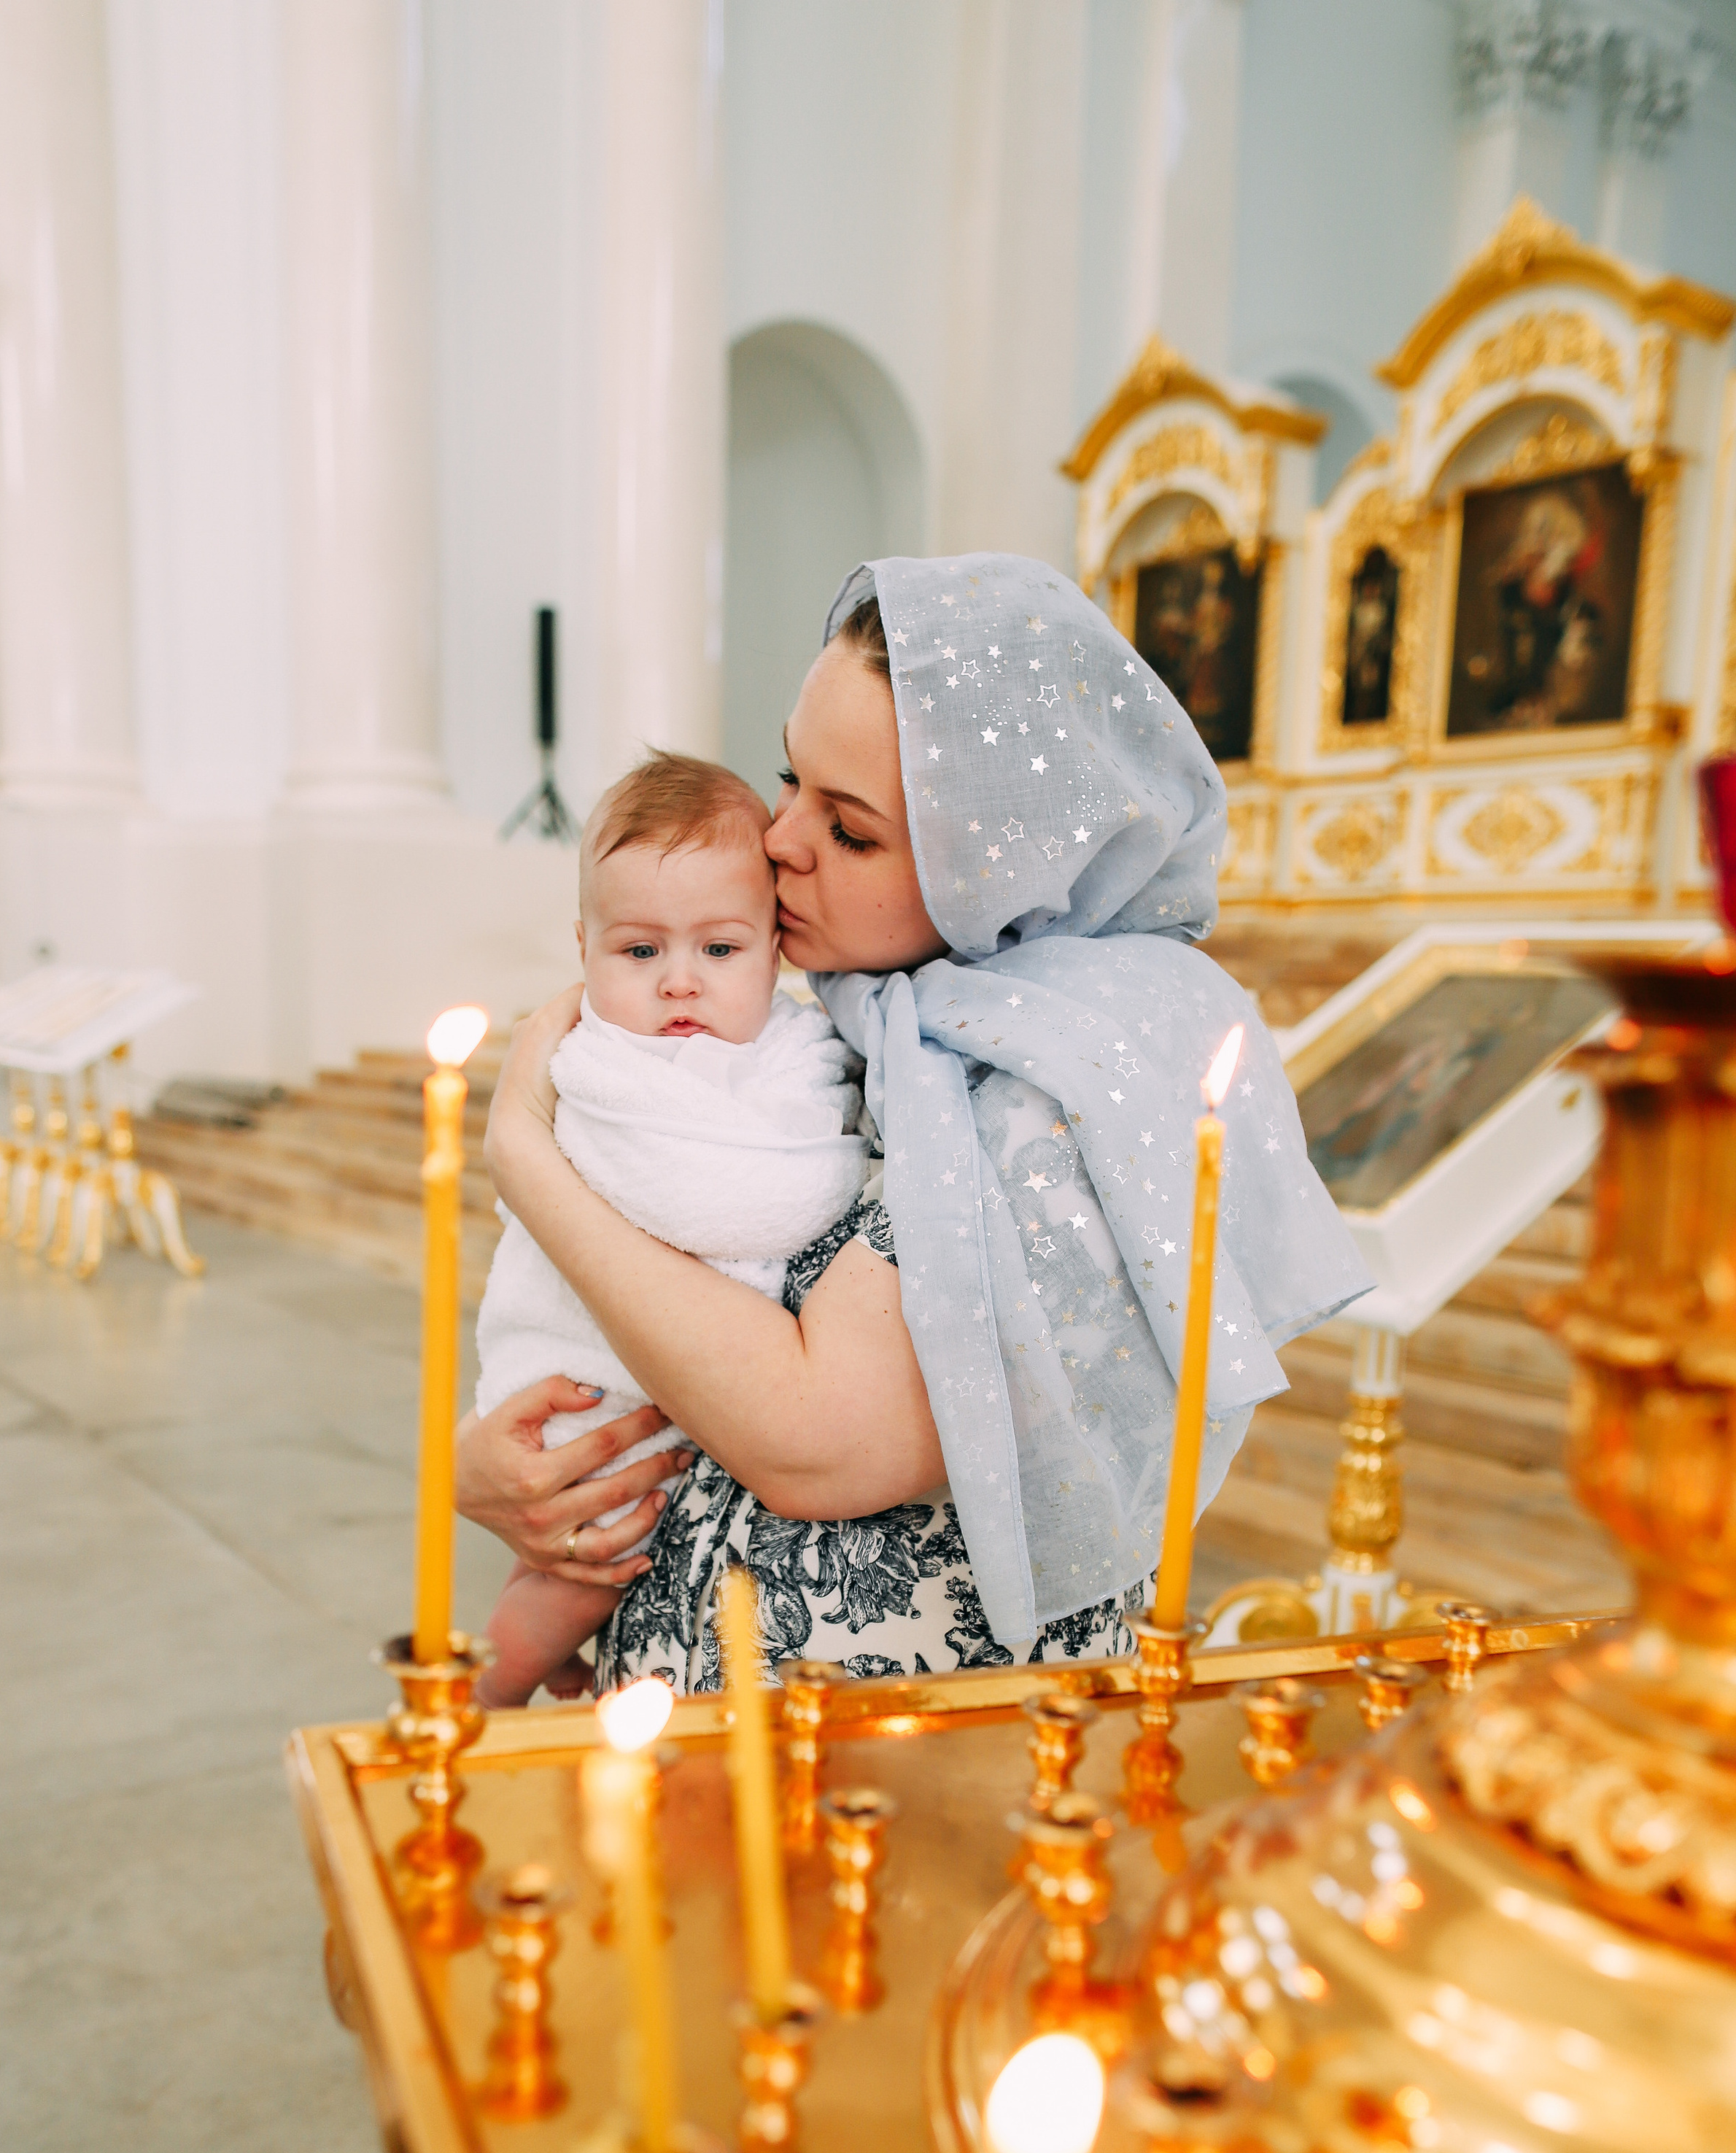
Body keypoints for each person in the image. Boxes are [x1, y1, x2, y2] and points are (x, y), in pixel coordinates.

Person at [456, 552, 1369, 1690]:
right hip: (704, 1709)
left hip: (897, 1752)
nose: (780, 841)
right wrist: (515, 1465)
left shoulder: (1072, 1071)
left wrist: (523, 1156)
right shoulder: (876, 1006)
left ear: (997, 865)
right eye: (788, 781)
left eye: (850, 829)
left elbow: (813, 1439)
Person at [470, 750, 869, 1705]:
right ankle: (488, 1686)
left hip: (676, 1374)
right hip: (589, 1376)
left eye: (719, 950)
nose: (679, 983)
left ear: (776, 946)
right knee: (589, 1560)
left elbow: (807, 1125)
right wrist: (819, 1175)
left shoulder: (790, 1049)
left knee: (581, 1563)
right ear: (584, 946)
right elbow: (697, 1201)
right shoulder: (601, 1066)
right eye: (640, 952)